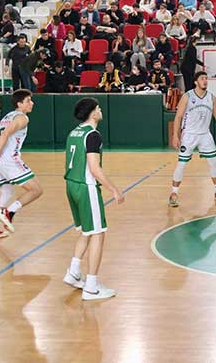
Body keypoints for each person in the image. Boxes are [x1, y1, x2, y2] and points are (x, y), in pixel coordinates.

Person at [62, 97, 125, 301]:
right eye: (98, 108)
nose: (100, 111)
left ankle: (73, 272)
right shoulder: (93, 135)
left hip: (71, 185)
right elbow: (94, 168)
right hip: (86, 187)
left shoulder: (74, 132)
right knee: (98, 233)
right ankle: (91, 287)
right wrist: (114, 190)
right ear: (92, 113)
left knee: (86, 231)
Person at [0, 89, 44, 240]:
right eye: (28, 101)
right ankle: (9, 212)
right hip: (7, 159)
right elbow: (5, 134)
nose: (32, 103)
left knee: (7, 193)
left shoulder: (7, 116)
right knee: (36, 190)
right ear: (19, 104)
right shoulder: (22, 118)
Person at [169, 72, 216, 206]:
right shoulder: (187, 96)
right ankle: (174, 193)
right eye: (202, 79)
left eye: (206, 78)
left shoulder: (212, 97)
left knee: (214, 163)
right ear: (195, 82)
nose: (205, 81)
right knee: (182, 164)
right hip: (189, 135)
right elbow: (178, 117)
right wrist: (175, 135)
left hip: (205, 134)